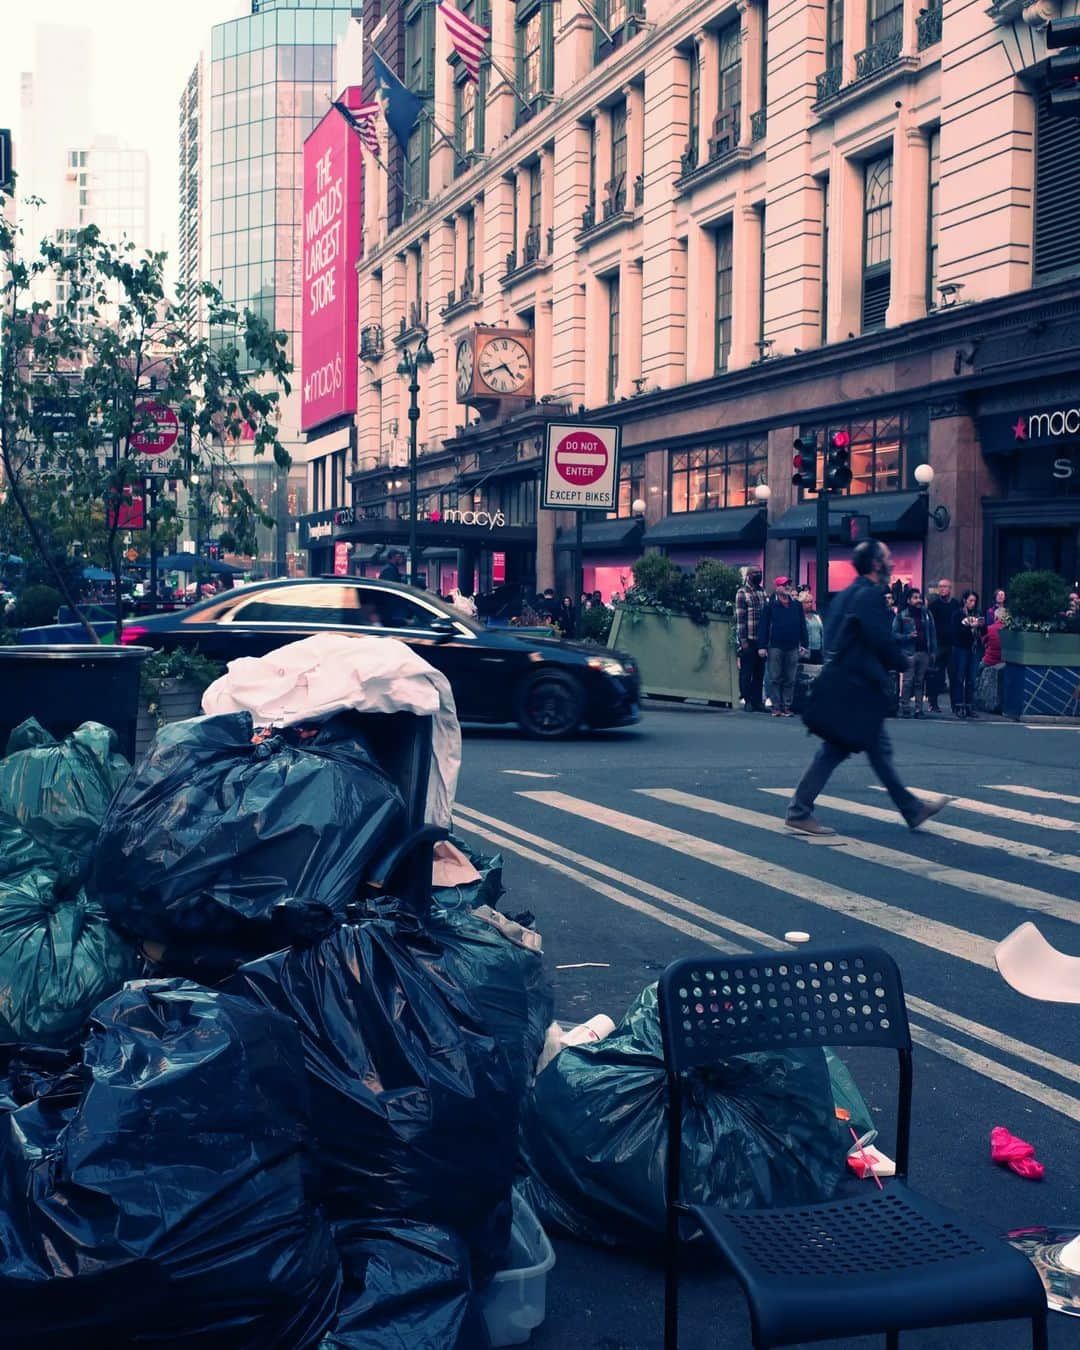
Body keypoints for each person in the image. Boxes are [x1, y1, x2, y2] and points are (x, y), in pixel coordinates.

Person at [785, 539, 951, 836]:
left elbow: (848, 635)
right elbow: (878, 638)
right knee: (853, 749)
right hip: (858, 687)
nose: (891, 563)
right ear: (876, 564)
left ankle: (911, 810)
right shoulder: (872, 595)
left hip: (846, 683)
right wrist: (903, 661)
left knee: (848, 749)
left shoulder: (847, 594)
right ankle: (800, 810)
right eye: (887, 558)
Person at [758, 577, 807, 717]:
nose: (788, 586)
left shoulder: (797, 605)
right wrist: (762, 646)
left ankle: (786, 706)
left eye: (789, 584)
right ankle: (776, 706)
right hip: (775, 646)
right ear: (777, 587)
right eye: (784, 584)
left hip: (792, 646)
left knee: (790, 678)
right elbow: (763, 626)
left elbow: (802, 625)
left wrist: (804, 644)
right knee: (775, 677)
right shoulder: (770, 606)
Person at [893, 586, 937, 717]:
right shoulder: (902, 615)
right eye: (915, 598)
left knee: (920, 681)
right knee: (907, 681)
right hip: (908, 652)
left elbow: (932, 633)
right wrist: (907, 637)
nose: (918, 600)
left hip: (923, 652)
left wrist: (933, 652)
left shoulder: (927, 615)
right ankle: (905, 707)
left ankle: (919, 709)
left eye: (919, 598)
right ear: (908, 600)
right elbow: (894, 634)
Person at [735, 566, 767, 712]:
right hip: (749, 638)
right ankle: (747, 700)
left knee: (759, 672)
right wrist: (743, 640)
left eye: (760, 573)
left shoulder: (762, 591)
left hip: (761, 639)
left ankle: (757, 701)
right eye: (755, 573)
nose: (758, 575)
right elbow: (740, 618)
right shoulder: (742, 592)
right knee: (747, 671)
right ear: (748, 576)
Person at [950, 590, 985, 719]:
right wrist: (969, 627)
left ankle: (970, 706)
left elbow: (984, 630)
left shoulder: (977, 613)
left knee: (971, 679)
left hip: (974, 648)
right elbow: (955, 633)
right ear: (965, 600)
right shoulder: (958, 614)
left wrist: (980, 625)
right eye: (970, 600)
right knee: (959, 677)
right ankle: (958, 706)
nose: (973, 603)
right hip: (961, 648)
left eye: (974, 601)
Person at [927, 578, 960, 714]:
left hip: (952, 645)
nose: (942, 589)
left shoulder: (955, 604)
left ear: (950, 588)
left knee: (954, 676)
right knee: (936, 675)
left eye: (945, 587)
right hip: (938, 645)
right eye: (940, 587)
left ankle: (955, 705)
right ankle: (933, 704)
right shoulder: (933, 605)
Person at [798, 588, 824, 663]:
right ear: (801, 603)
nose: (810, 604)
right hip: (804, 651)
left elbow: (822, 633)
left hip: (818, 651)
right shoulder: (798, 617)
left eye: (811, 602)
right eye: (807, 602)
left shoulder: (816, 616)